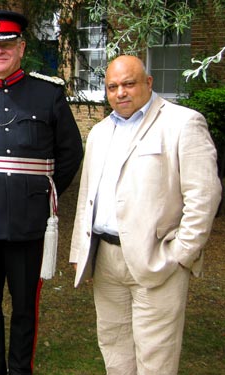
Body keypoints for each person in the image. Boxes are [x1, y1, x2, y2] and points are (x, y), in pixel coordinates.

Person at [0, 10, 83, 375]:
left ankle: (20, 369)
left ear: (21, 47)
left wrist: (41, 192)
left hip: (30, 221)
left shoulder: (48, 93)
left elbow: (70, 154)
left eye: (7, 44)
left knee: (25, 305)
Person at [70, 55, 222, 375]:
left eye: (129, 84)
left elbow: (204, 195)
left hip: (158, 259)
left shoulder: (183, 123)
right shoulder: (99, 132)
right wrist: (79, 251)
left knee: (156, 357)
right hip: (106, 260)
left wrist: (181, 254)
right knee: (114, 348)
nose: (120, 92)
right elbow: (88, 197)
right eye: (112, 87)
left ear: (148, 83)